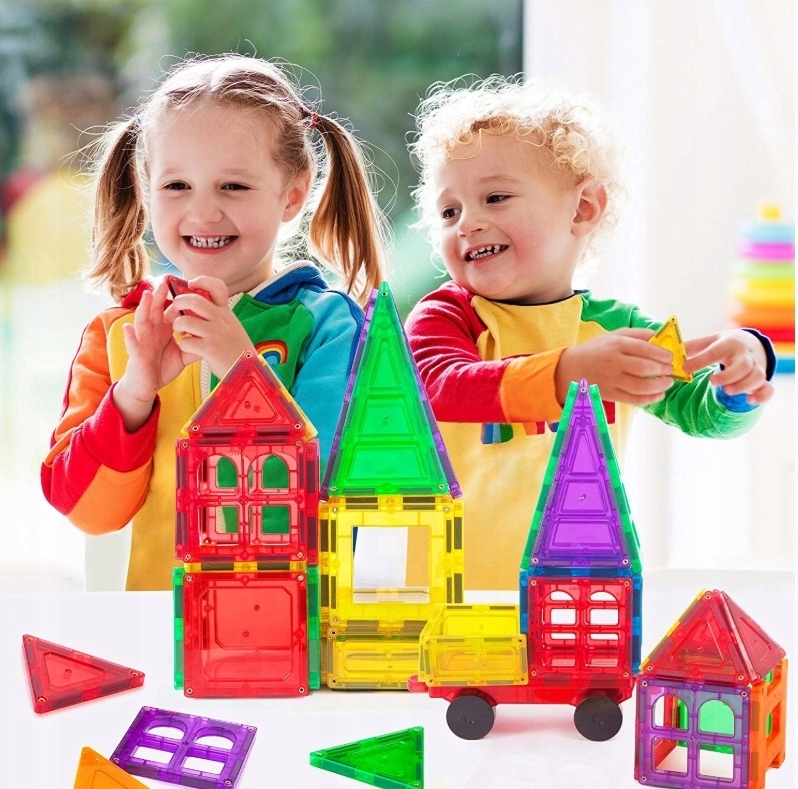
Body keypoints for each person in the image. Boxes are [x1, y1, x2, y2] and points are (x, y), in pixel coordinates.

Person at [404, 76, 775, 590]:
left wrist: (738, 378)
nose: (466, 223)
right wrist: (568, 373)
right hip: (451, 596)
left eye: (495, 197)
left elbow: (700, 414)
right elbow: (440, 387)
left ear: (582, 209)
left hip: (579, 590)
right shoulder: (445, 316)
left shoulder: (619, 328)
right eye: (450, 211)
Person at [41, 55, 387, 591]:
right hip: (157, 626)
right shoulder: (117, 334)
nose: (203, 212)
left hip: (290, 624)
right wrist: (134, 394)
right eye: (177, 185)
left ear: (293, 195)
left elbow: (331, 495)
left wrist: (243, 374)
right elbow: (86, 510)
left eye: (234, 187)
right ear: (147, 188)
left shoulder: (329, 325)